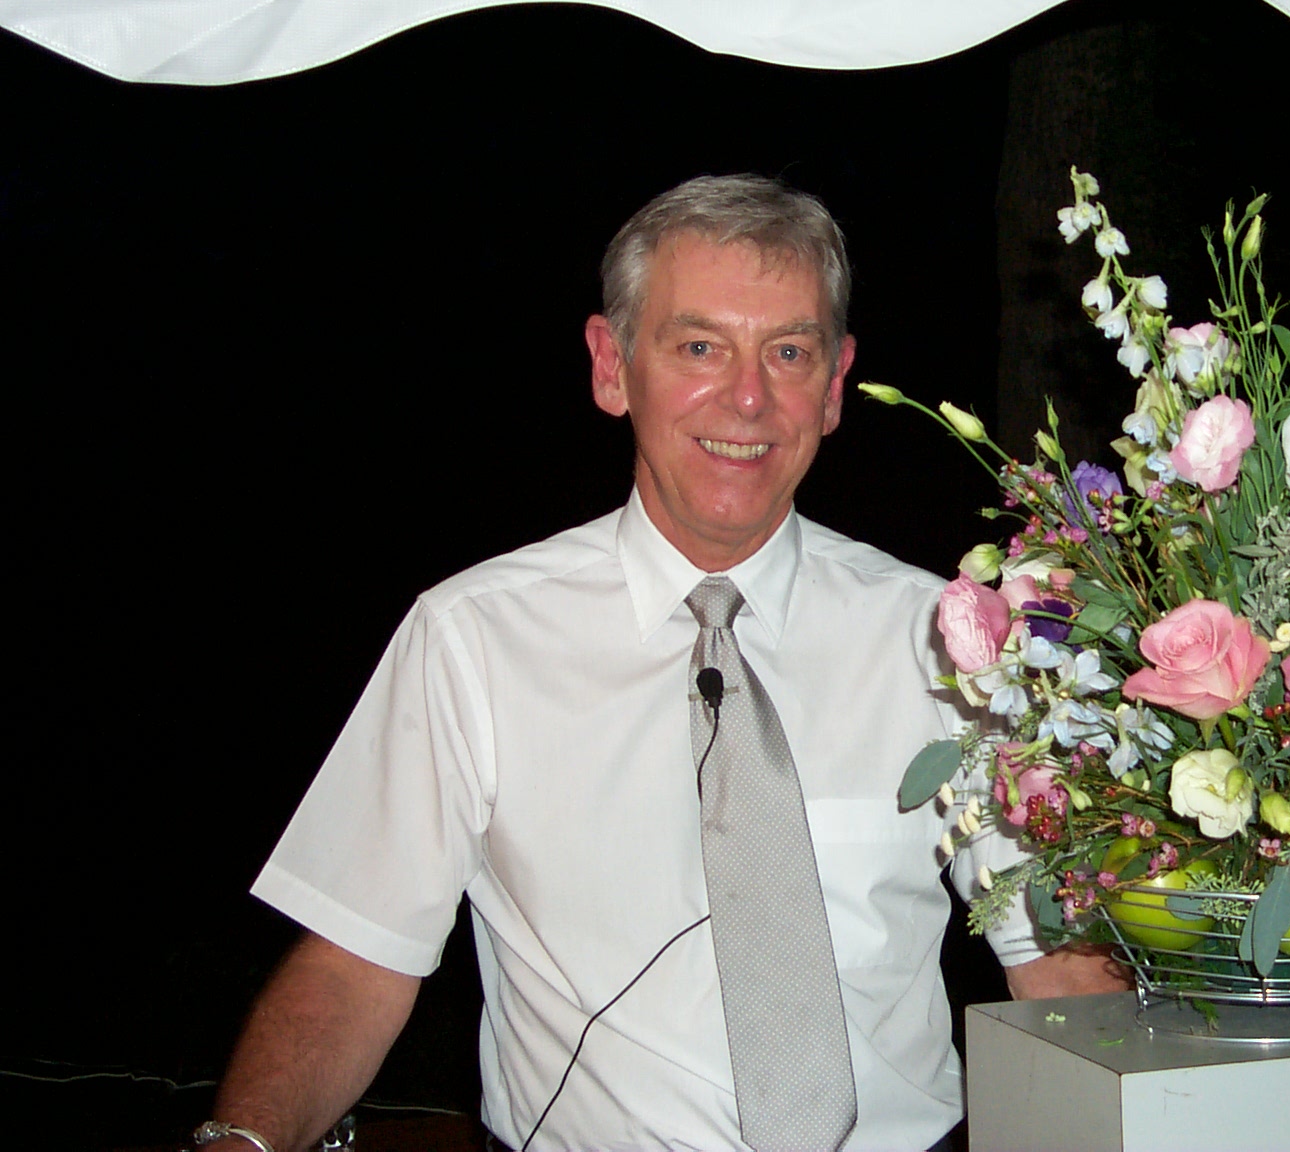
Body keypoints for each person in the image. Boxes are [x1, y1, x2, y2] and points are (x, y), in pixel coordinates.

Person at [199, 174, 1125, 1152]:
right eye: (698, 347)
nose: (748, 397)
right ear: (612, 366)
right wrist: (238, 1142)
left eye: (789, 352)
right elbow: (355, 963)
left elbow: (1059, 970)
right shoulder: (471, 638)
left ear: (835, 386)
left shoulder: (949, 642)